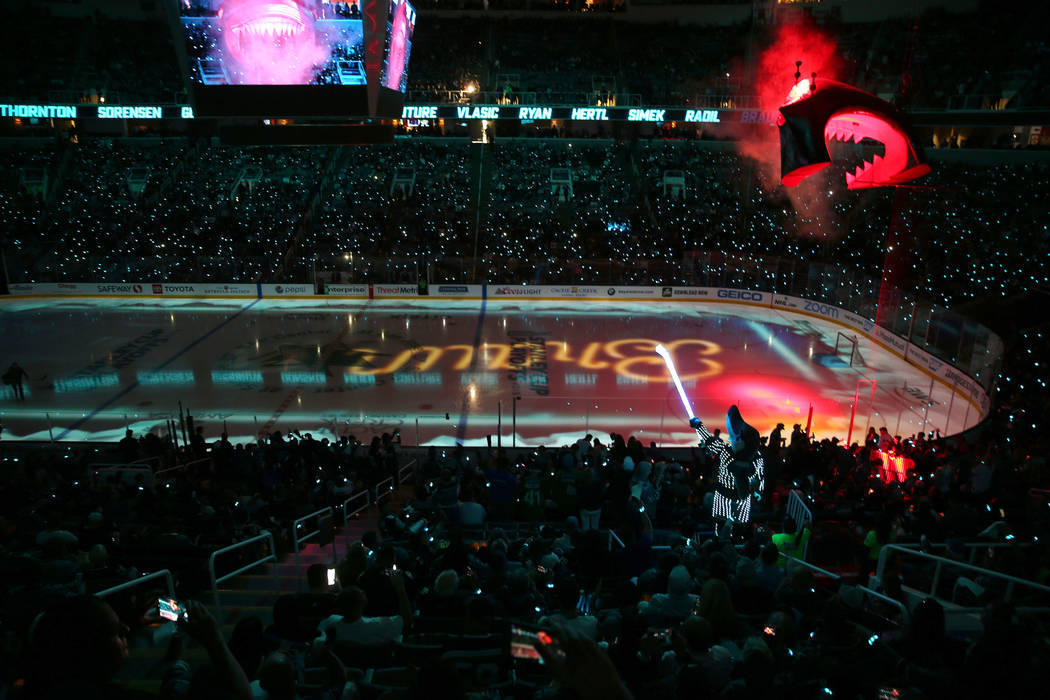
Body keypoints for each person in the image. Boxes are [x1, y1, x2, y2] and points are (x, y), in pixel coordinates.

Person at [689, 405, 765, 529]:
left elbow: (709, 441)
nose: (729, 438)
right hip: (735, 499)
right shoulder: (756, 457)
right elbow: (760, 477)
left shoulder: (727, 452)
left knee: (728, 525)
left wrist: (698, 425)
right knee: (732, 525)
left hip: (729, 497)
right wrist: (758, 490)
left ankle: (728, 537)